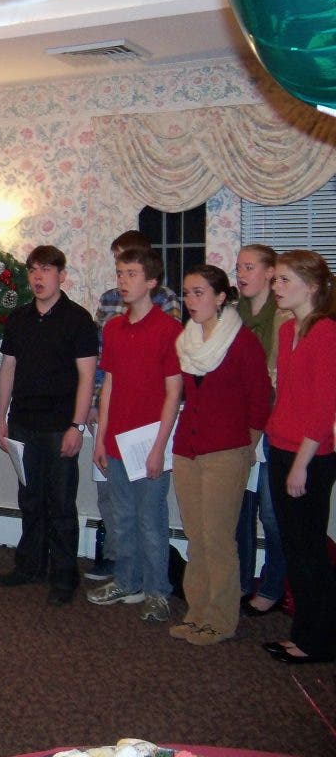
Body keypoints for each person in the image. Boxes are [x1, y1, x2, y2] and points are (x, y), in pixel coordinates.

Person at [169, 265, 271, 645]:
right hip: (187, 449)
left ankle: (221, 619)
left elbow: (260, 400)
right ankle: (197, 612)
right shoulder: (188, 341)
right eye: (187, 293)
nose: (190, 301)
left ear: (220, 297)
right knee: (195, 537)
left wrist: (244, 444)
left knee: (217, 538)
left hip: (227, 451)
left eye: (198, 293)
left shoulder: (241, 342)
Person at [0, 245, 98, 606]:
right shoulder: (19, 318)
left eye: (47, 270)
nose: (38, 277)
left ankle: (65, 576)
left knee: (61, 504)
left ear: (61, 275)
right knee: (30, 500)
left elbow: (87, 377)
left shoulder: (79, 320)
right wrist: (0, 418)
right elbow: (7, 368)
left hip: (60, 428)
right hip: (22, 424)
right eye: (33, 270)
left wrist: (77, 426)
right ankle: (30, 566)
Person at [87, 247, 182, 623]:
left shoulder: (169, 329)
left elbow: (174, 392)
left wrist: (159, 447)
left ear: (151, 282)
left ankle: (158, 592)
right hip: (116, 442)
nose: (123, 281)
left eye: (131, 274)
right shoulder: (113, 328)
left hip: (148, 443)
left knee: (151, 522)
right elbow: (108, 384)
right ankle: (127, 580)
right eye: (120, 273)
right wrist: (100, 438)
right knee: (122, 518)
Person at [262, 250, 336, 665]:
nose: (277, 287)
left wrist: (302, 464)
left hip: (309, 456)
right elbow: (289, 397)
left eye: (285, 280)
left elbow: (324, 408)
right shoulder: (289, 330)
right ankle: (306, 633)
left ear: (311, 286)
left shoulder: (325, 332)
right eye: (276, 281)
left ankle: (318, 641)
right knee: (296, 547)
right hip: (282, 446)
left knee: (308, 550)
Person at [234, 244, 290, 616]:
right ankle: (238, 584)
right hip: (239, 421)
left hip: (273, 424)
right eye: (238, 267)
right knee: (240, 507)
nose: (241, 274)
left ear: (270, 273)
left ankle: (271, 587)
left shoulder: (283, 316)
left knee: (272, 514)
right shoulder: (233, 314)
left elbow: (275, 378)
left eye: (249, 267)